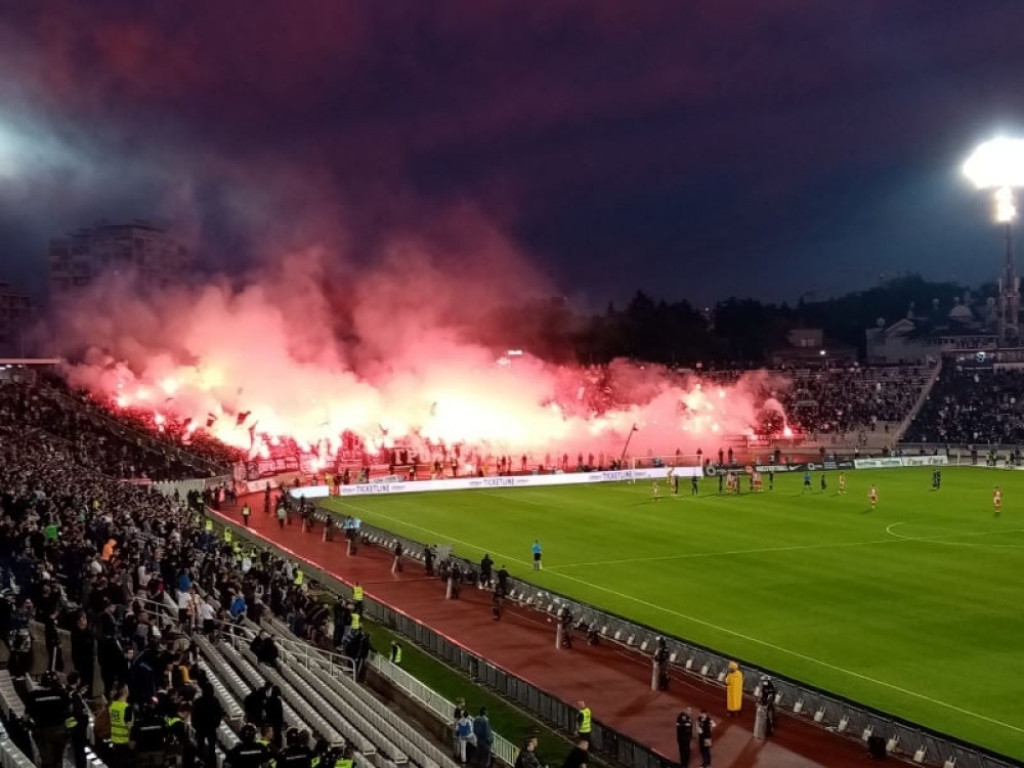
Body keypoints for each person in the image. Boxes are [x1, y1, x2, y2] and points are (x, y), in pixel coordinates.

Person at [25, 671, 70, 768]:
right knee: (58, 759)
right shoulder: (62, 693)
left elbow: (26, 718)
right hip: (60, 730)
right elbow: (70, 712)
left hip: (43, 732)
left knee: (47, 761)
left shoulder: (33, 696)